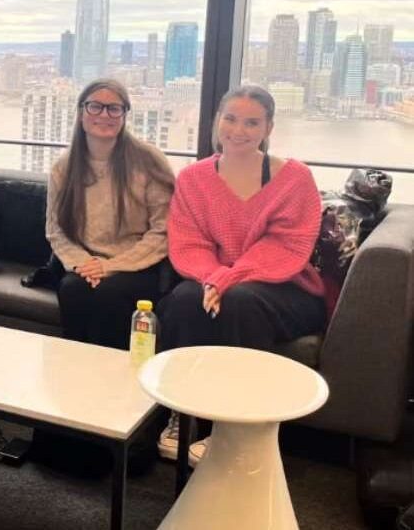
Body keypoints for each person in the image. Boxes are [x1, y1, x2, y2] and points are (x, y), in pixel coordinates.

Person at [157, 85, 325, 465]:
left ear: (268, 127)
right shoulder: (193, 179)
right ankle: (182, 416)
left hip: (286, 286)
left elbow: (288, 246)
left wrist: (227, 279)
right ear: (217, 121)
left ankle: (234, 427)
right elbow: (187, 242)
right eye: (231, 118)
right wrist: (214, 277)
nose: (239, 130)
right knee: (183, 301)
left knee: (241, 301)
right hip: (215, 280)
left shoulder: (294, 178)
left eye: (252, 122)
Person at [46, 79, 175, 349]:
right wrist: (84, 264)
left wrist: (110, 266)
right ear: (81, 112)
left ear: (124, 115)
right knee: (73, 289)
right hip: (86, 263)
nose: (104, 115)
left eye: (114, 109)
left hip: (138, 265)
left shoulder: (148, 160)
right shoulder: (63, 167)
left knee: (107, 294)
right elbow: (55, 230)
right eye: (95, 106)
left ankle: (118, 379)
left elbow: (163, 230)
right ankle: (73, 373)